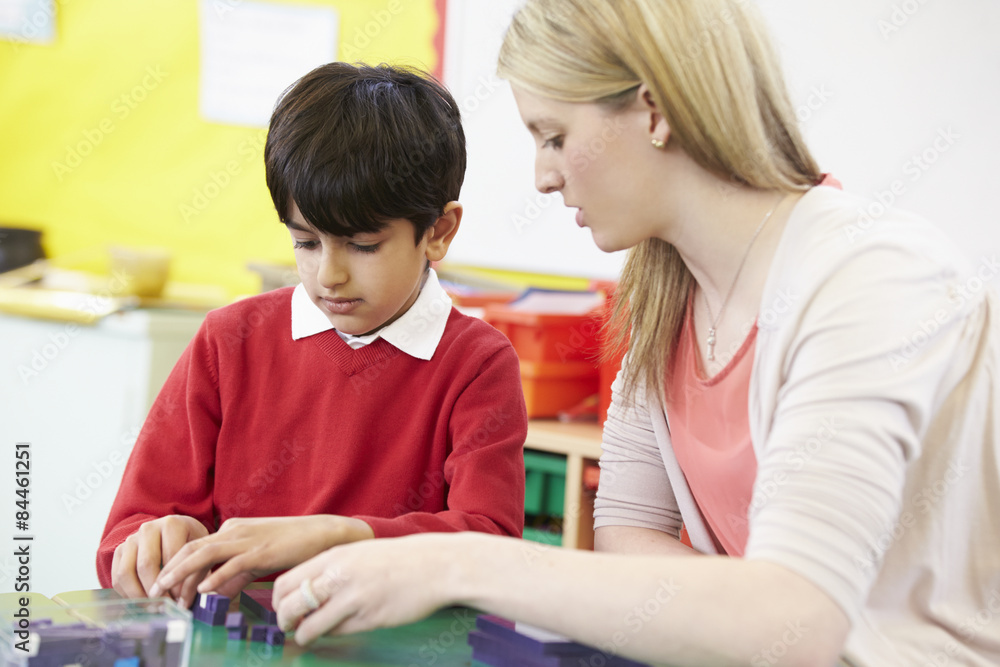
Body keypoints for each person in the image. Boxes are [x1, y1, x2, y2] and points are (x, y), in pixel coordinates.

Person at [267, 2, 1000, 666]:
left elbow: (796, 620)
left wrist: (452, 562)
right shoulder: (665, 298)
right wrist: (744, 606)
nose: (543, 178)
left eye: (554, 136)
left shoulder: (868, 275)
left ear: (652, 109)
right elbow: (625, 533)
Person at [96, 62, 528, 607]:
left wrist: (338, 536)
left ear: (438, 232)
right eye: (305, 243)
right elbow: (123, 539)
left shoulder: (476, 363)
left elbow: (490, 545)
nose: (329, 274)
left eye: (363, 245)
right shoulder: (229, 340)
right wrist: (153, 543)